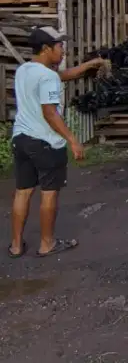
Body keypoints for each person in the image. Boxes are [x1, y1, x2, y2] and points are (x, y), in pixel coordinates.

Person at [9, 27, 105, 258]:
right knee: (49, 194)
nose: (63, 51)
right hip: (46, 144)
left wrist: (86, 67)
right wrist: (73, 140)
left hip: (21, 140)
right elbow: (50, 113)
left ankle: (15, 245)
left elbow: (59, 76)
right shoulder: (48, 76)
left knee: (23, 192)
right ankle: (47, 244)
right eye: (60, 46)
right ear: (45, 49)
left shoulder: (24, 70)